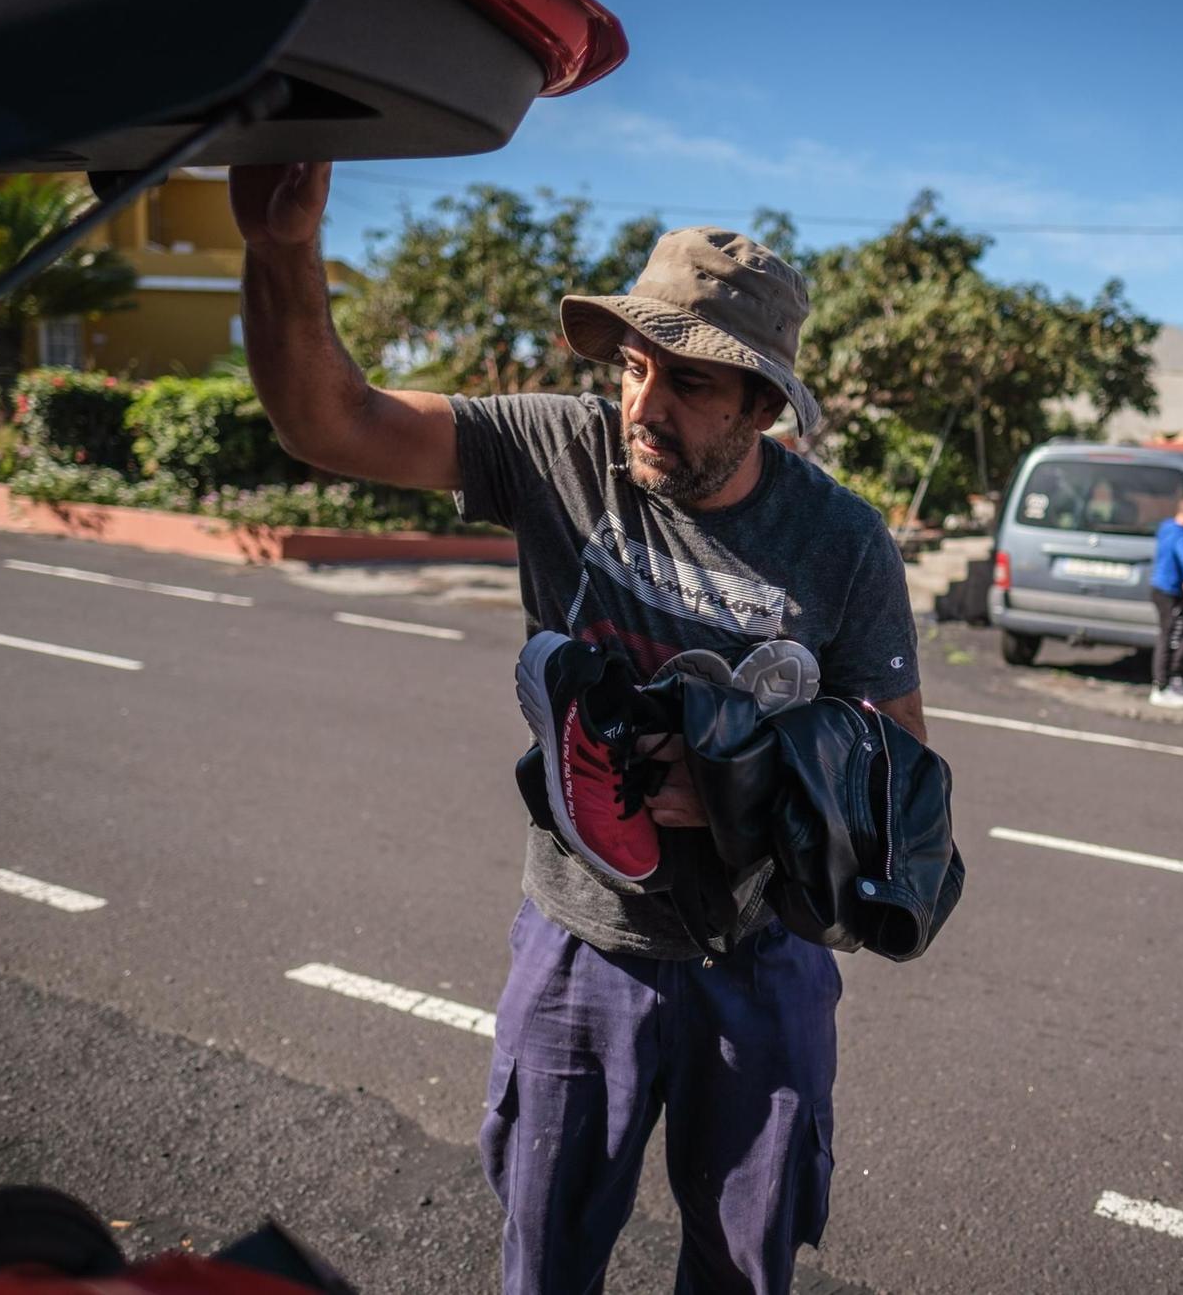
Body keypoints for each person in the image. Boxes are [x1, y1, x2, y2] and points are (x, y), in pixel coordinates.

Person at [229, 160, 926, 1295]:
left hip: (762, 960)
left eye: (691, 384)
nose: (645, 405)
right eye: (635, 367)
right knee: (544, 1257)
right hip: (579, 946)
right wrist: (280, 248)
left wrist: (740, 790)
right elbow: (331, 420)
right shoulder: (556, 450)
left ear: (760, 406)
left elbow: (901, 774)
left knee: (741, 1268)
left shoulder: (842, 542)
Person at [1148, 494, 1183, 710]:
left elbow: (1179, 554)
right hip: (1169, 591)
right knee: (1171, 635)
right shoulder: (1182, 534)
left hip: (1162, 588)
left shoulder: (1167, 527)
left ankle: (1173, 678)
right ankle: (1161, 688)